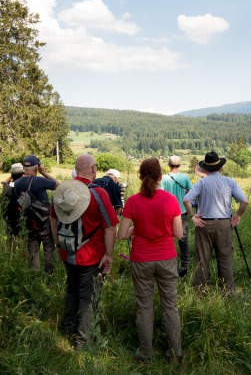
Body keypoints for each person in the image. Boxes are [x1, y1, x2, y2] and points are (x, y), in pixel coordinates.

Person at [118, 158, 183, 364]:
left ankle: (146, 353)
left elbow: (122, 235)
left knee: (144, 307)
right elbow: (179, 234)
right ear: (160, 177)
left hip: (141, 259)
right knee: (170, 306)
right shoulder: (171, 200)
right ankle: (175, 353)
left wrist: (137, 228)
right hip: (166, 258)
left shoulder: (132, 201)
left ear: (140, 176)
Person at [50, 154, 119, 346]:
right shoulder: (99, 194)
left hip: (67, 251)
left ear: (76, 169)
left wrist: (58, 246)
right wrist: (109, 255)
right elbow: (110, 227)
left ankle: (68, 330)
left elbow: (53, 220)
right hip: (92, 256)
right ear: (93, 169)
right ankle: (82, 340)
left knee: (72, 291)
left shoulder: (62, 191)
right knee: (88, 297)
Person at [183, 151, 249, 294]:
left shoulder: (201, 182)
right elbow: (245, 201)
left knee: (202, 258)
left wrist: (193, 216)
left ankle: (200, 290)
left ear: (206, 169)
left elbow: (186, 200)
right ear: (221, 167)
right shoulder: (230, 182)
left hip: (204, 224)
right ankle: (227, 291)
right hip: (224, 224)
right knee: (225, 258)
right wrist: (237, 215)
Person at [15, 155, 60, 273]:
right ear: (36, 167)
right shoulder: (40, 180)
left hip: (28, 222)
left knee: (33, 251)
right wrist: (44, 173)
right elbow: (59, 186)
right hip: (45, 222)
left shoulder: (17, 183)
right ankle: (50, 277)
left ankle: (34, 275)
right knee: (49, 250)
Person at [160, 155, 193, 273]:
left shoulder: (164, 178)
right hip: (182, 212)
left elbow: (160, 194)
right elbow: (191, 192)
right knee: (183, 239)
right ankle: (186, 263)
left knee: (166, 238)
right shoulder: (185, 177)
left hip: (167, 212)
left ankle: (169, 262)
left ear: (168, 165)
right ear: (179, 165)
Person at [1, 162, 24, 238]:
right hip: (20, 216)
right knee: (22, 238)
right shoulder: (22, 185)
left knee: (10, 237)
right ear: (22, 174)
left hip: (9, 216)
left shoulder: (7, 185)